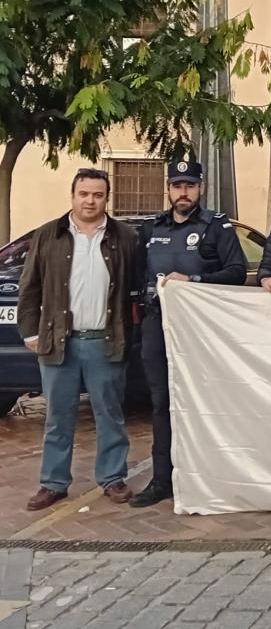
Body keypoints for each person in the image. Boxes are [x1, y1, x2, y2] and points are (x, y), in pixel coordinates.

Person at [17, 169, 140, 511]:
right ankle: (53, 483)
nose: (90, 200)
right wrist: (30, 331)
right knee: (58, 416)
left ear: (107, 197)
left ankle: (113, 478)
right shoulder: (47, 235)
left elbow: (134, 289)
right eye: (84, 194)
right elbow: (29, 288)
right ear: (72, 195)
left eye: (97, 195)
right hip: (59, 343)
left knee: (110, 414)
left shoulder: (125, 237)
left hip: (105, 341)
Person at [132, 160, 247, 508]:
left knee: (206, 401)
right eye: (178, 185)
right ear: (168, 189)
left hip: (201, 332)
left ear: (201, 188)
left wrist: (194, 282)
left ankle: (211, 475)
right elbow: (138, 278)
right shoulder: (151, 228)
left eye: (190, 185)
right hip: (158, 325)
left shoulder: (217, 227)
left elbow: (237, 272)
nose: (184, 192)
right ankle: (161, 479)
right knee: (161, 403)